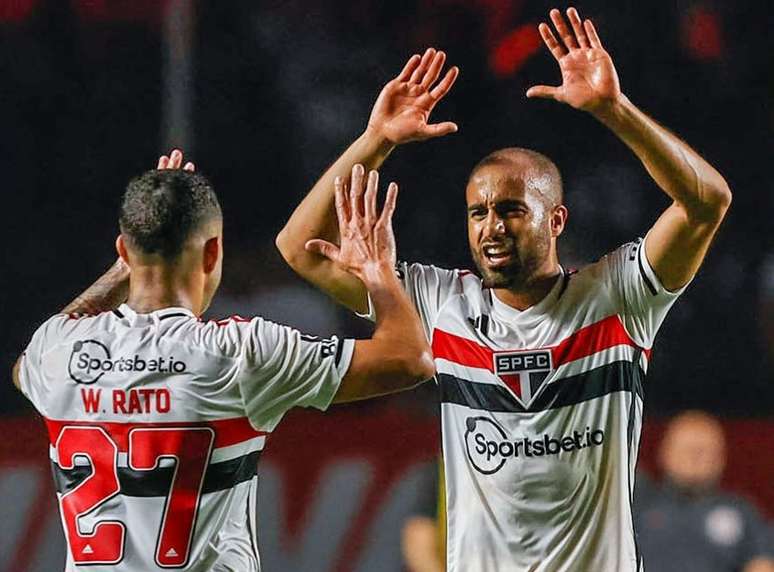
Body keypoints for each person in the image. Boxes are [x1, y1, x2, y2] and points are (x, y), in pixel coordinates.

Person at [277, 7, 732, 571]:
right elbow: (298, 248)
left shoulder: (617, 297)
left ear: (557, 220)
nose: (491, 225)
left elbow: (708, 202)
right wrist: (374, 140)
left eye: (512, 209)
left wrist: (618, 112)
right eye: (478, 212)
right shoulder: (439, 304)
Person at [11, 151, 434, 571]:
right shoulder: (236, 352)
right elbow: (409, 358)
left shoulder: (57, 351)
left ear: (124, 249)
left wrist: (128, 265)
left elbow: (29, 360)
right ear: (212, 253)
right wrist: (378, 272)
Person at [636, 411, 774, 572]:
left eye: (702, 451)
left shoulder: (742, 511)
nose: (694, 458)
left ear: (721, 458)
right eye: (687, 449)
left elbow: (762, 564)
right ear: (664, 453)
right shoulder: (636, 505)